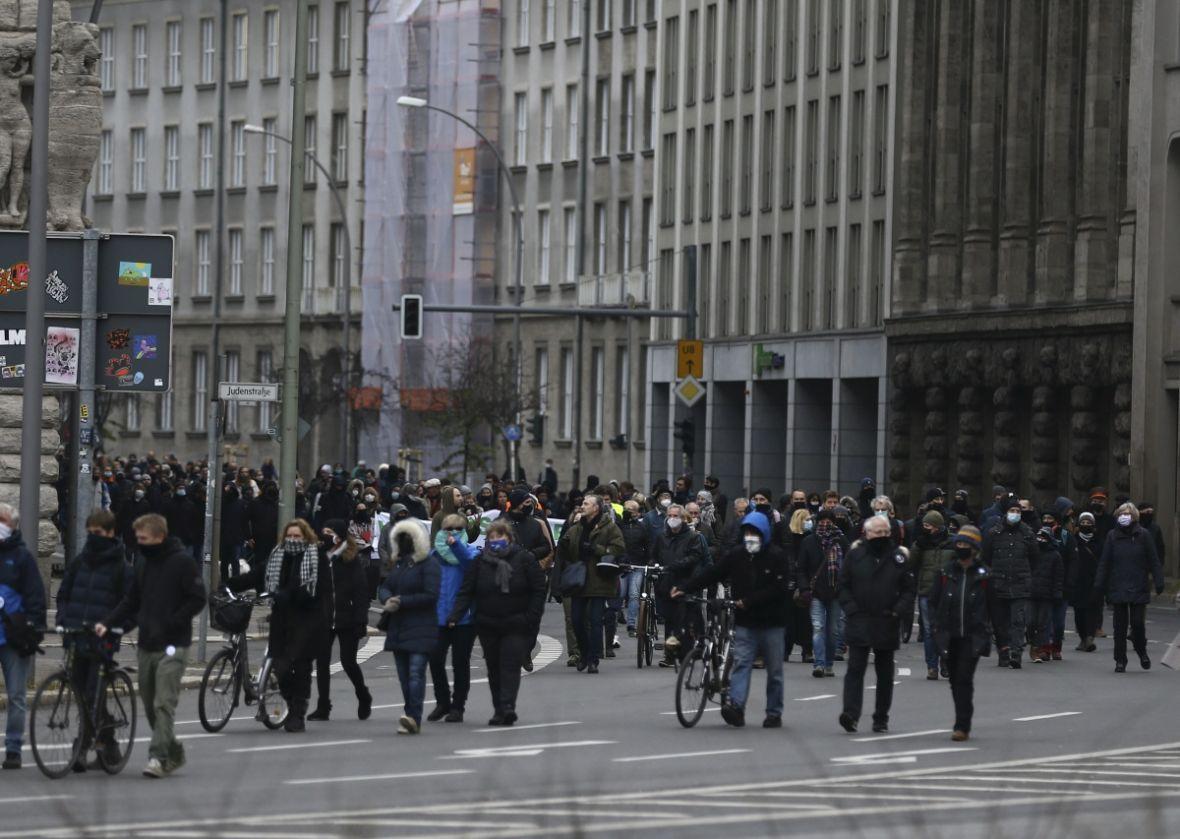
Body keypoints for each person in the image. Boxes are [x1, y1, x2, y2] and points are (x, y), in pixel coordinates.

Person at [98, 513, 205, 778]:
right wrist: (108, 623)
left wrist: (174, 620)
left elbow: (197, 598)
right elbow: (131, 600)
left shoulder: (182, 563)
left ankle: (157, 758)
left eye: (144, 538)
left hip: (173, 645)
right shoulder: (143, 563)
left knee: (162, 703)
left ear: (159, 536)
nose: (140, 542)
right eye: (138, 538)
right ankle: (174, 752)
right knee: (148, 703)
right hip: (147, 644)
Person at [673, 511, 791, 728]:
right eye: (747, 532)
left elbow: (779, 588)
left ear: (764, 533)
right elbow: (713, 573)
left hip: (772, 622)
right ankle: (736, 707)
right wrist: (684, 588)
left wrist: (748, 601)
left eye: (754, 533)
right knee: (742, 664)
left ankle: (774, 713)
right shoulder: (737, 555)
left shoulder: (777, 557)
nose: (750, 537)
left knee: (774, 671)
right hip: (746, 621)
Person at [225, 518, 325, 734]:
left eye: (297, 536)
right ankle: (291, 703)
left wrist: (289, 595)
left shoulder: (315, 557)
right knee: (281, 670)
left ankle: (298, 713)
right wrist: (229, 584)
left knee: (300, 668)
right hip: (281, 619)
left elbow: (315, 591)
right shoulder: (277, 555)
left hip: (307, 621)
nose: (292, 540)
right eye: (289, 536)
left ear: (306, 537)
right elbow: (257, 575)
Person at [448, 521, 546, 725]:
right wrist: (455, 615)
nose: (495, 541)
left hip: (516, 622)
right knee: (494, 667)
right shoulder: (479, 562)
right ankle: (499, 709)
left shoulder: (524, 559)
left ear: (509, 538)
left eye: (499, 536)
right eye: (491, 538)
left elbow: (538, 589)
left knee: (509, 666)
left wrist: (531, 617)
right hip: (487, 623)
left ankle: (508, 705)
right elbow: (467, 590)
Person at [56, 510, 133, 771]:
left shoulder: (122, 567)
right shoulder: (79, 562)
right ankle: (108, 738)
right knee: (79, 692)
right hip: (77, 635)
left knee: (92, 693)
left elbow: (129, 603)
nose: (93, 538)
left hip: (103, 640)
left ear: (111, 533)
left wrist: (114, 626)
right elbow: (64, 593)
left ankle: (82, 746)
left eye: (98, 533)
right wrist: (63, 619)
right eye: (90, 533)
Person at [837, 515, 915, 734]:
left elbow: (909, 589)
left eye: (885, 532)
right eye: (877, 532)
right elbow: (843, 585)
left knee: (884, 673)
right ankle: (850, 714)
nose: (881, 536)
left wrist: (898, 610)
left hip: (886, 619)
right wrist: (850, 608)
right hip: (859, 618)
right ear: (867, 533)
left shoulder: (898, 557)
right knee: (855, 669)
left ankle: (881, 717)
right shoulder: (855, 555)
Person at [928, 525, 991, 742]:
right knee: (954, 680)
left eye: (966, 544)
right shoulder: (946, 572)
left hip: (972, 636)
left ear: (974, 548)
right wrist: (936, 627)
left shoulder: (984, 575)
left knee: (964, 678)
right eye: (960, 543)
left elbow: (993, 608)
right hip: (948, 634)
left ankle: (962, 725)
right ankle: (961, 718)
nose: (962, 547)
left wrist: (998, 637)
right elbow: (933, 600)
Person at [378, 519, 439, 734]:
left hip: (422, 626)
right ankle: (410, 714)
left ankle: (414, 716)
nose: (404, 542)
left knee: (415, 673)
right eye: (400, 538)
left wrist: (402, 601)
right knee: (405, 677)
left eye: (408, 538)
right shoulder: (401, 565)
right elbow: (385, 586)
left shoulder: (429, 564)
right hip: (399, 626)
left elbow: (431, 595)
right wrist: (387, 598)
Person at [308, 520, 372, 722]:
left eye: (330, 533)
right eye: (324, 532)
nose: (326, 536)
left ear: (340, 536)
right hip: (324, 618)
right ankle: (323, 706)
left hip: (348, 617)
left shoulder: (351, 558)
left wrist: (361, 620)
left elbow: (362, 591)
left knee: (348, 661)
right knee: (322, 662)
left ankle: (363, 694)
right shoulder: (320, 557)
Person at [0, 503, 47, 770]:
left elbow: (35, 597)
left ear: (13, 525)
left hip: (12, 638)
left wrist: (34, 629)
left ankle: (14, 749)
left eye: (2, 520)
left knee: (16, 695)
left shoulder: (21, 557)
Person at [558, 495, 625, 673]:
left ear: (596, 508)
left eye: (586, 504)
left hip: (599, 580)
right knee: (577, 620)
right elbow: (564, 548)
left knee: (596, 621)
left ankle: (593, 659)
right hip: (578, 580)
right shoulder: (577, 527)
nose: (582, 506)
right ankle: (584, 653)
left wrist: (597, 549)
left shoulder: (609, 527)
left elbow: (618, 548)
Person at [1094, 502, 1164, 673]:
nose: (1125, 516)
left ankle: (1142, 651)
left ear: (1134, 516)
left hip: (1138, 584)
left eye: (1128, 513)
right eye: (1122, 513)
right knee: (1119, 627)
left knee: (1137, 623)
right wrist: (1099, 584)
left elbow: (1153, 560)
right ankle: (1120, 659)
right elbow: (1105, 562)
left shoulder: (1144, 535)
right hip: (1118, 585)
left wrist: (1158, 580)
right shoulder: (1112, 536)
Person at [427, 514, 478, 723]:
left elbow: (468, 564)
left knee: (460, 663)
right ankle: (442, 702)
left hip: (464, 618)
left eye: (457, 529)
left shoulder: (471, 553)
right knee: (435, 659)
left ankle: (458, 706)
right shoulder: (434, 556)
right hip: (439, 617)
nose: (452, 533)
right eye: (448, 529)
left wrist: (456, 545)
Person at [650, 502, 709, 667]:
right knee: (669, 621)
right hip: (666, 583)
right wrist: (655, 565)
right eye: (669, 516)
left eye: (675, 516)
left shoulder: (693, 537)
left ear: (683, 519)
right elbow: (654, 555)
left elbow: (695, 557)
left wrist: (676, 565)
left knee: (684, 620)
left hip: (685, 583)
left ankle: (685, 655)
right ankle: (669, 655)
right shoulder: (662, 537)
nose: (672, 519)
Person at [981, 495, 1035, 669]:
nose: (1015, 513)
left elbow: (1035, 557)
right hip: (998, 583)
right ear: (1006, 513)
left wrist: (1026, 574)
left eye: (1018, 511)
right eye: (1012, 511)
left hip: (1020, 583)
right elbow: (986, 557)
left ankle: (1016, 653)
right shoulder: (994, 533)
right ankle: (1003, 652)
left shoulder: (1027, 533)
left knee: (1018, 621)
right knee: (1000, 622)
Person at [796, 508, 848, 678]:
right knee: (818, 628)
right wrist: (804, 588)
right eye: (822, 520)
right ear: (817, 522)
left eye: (829, 521)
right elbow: (802, 568)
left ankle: (829, 663)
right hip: (816, 592)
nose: (825, 524)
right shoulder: (809, 541)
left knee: (833, 631)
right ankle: (819, 664)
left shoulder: (842, 541)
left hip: (836, 592)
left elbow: (849, 566)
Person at [910, 511, 955, 680]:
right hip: (927, 591)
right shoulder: (921, 544)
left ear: (936, 526)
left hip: (947, 590)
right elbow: (910, 563)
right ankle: (931, 666)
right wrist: (917, 547)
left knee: (946, 628)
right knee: (929, 631)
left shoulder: (952, 543)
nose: (925, 529)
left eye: (928, 526)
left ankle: (946, 661)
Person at [1027, 527, 1065, 664]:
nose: (1040, 540)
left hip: (1047, 595)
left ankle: (1037, 649)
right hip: (1031, 593)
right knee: (1030, 622)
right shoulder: (1033, 553)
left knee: (1043, 624)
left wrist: (1057, 593)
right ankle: (1031, 640)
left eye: (1044, 538)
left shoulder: (1055, 555)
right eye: (1039, 537)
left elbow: (1058, 577)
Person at [619, 499, 652, 634]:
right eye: (627, 510)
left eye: (632, 510)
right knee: (619, 594)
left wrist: (648, 560)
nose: (629, 512)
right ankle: (615, 617)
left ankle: (631, 623)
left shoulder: (642, 527)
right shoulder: (619, 526)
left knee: (634, 595)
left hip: (638, 564)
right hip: (622, 565)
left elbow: (648, 544)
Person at [1071, 512, 1102, 652]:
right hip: (1077, 582)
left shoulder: (1099, 542)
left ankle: (1090, 637)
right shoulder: (1073, 541)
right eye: (1082, 523)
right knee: (1079, 612)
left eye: (1088, 523)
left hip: (1094, 582)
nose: (1085, 525)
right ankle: (1083, 637)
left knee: (1093, 611)